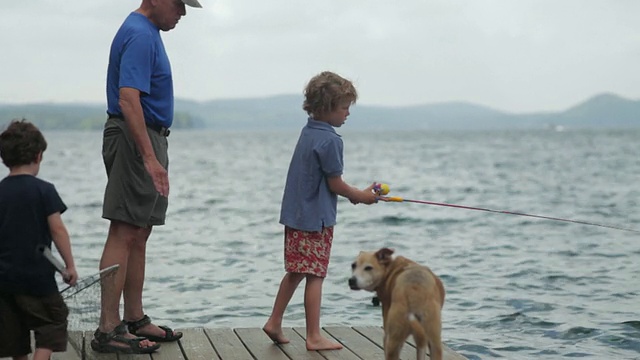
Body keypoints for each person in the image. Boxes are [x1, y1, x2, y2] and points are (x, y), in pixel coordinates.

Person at [92, 0, 202, 354]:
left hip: (149, 135)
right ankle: (108, 328)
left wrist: (154, 153)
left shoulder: (148, 32)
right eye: (179, 3)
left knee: (140, 231)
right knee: (124, 229)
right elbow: (128, 99)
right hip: (134, 137)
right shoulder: (139, 34)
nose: (183, 12)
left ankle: (135, 318)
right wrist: (149, 158)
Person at [263, 71, 379, 351]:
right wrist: (362, 197)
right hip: (315, 220)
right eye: (344, 107)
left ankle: (275, 321)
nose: (347, 113)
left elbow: (327, 182)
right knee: (315, 275)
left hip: (296, 216)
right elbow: (335, 183)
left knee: (296, 271)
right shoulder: (331, 140)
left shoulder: (309, 131)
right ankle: (313, 336)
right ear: (327, 109)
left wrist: (358, 194)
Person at [0, 119, 79, 360]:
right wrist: (69, 265)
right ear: (39, 156)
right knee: (52, 324)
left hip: (3, 279)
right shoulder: (44, 190)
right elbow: (58, 230)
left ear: (4, 159)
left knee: (14, 333)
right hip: (37, 278)